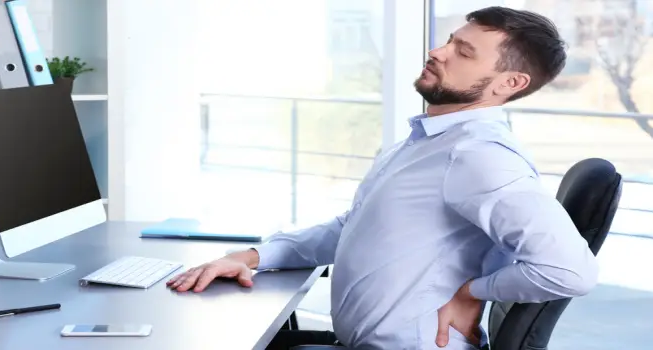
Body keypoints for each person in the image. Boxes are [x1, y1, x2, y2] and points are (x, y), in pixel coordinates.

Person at [167, 6, 599, 350]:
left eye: (463, 53)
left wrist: (473, 292)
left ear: (510, 82)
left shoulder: (481, 157)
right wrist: (252, 257)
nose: (438, 52)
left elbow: (569, 271)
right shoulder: (424, 142)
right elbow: (352, 227)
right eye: (450, 41)